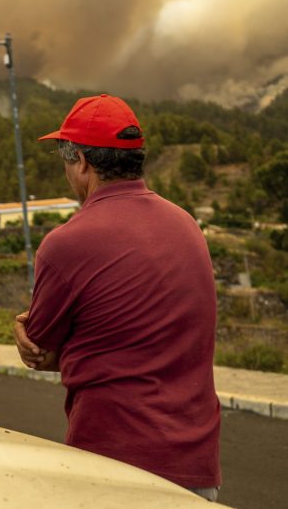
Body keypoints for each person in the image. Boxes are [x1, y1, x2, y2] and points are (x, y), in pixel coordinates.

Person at [14, 94, 220, 499]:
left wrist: (27, 334)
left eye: (65, 159)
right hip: (198, 468)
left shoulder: (67, 243)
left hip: (115, 469)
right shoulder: (186, 225)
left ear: (83, 163)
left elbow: (42, 351)